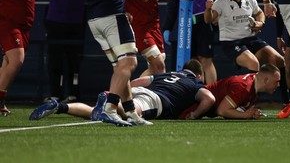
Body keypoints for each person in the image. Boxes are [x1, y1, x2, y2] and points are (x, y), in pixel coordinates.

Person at [62, 0, 151, 127]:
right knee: (129, 63)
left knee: (121, 67)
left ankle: (130, 112)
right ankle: (110, 108)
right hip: (112, 16)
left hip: (94, 20)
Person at [0, 0, 77, 116]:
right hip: (7, 25)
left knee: (8, 63)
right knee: (17, 60)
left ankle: (1, 100)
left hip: (25, 27)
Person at [29, 59, 215, 121]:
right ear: (198, 75)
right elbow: (210, 98)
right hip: (155, 100)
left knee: (99, 111)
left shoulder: (167, 74)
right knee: (128, 114)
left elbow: (139, 81)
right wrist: (195, 115)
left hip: (144, 91)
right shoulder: (195, 83)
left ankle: (60, 106)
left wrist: (124, 91)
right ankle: (111, 101)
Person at [204, 0, 286, 78]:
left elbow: (259, 13)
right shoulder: (221, 2)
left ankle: (288, 94)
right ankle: (252, 94)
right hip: (231, 43)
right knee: (254, 64)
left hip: (251, 39)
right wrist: (208, 9)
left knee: (279, 60)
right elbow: (208, 20)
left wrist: (260, 23)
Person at [44, 0, 86, 103]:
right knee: (74, 61)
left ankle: (56, 93)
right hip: (76, 23)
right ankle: (74, 94)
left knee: (56, 59)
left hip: (57, 22)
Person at [123, 0, 173, 77]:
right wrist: (124, 11)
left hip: (154, 25)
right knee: (159, 64)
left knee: (157, 69)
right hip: (139, 27)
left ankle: (133, 92)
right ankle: (131, 93)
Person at [179, 63, 280, 119]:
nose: (278, 85)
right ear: (266, 80)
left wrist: (251, 113)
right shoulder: (243, 87)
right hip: (190, 105)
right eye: (276, 81)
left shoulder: (254, 85)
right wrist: (246, 115)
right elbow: (222, 110)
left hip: (201, 105)